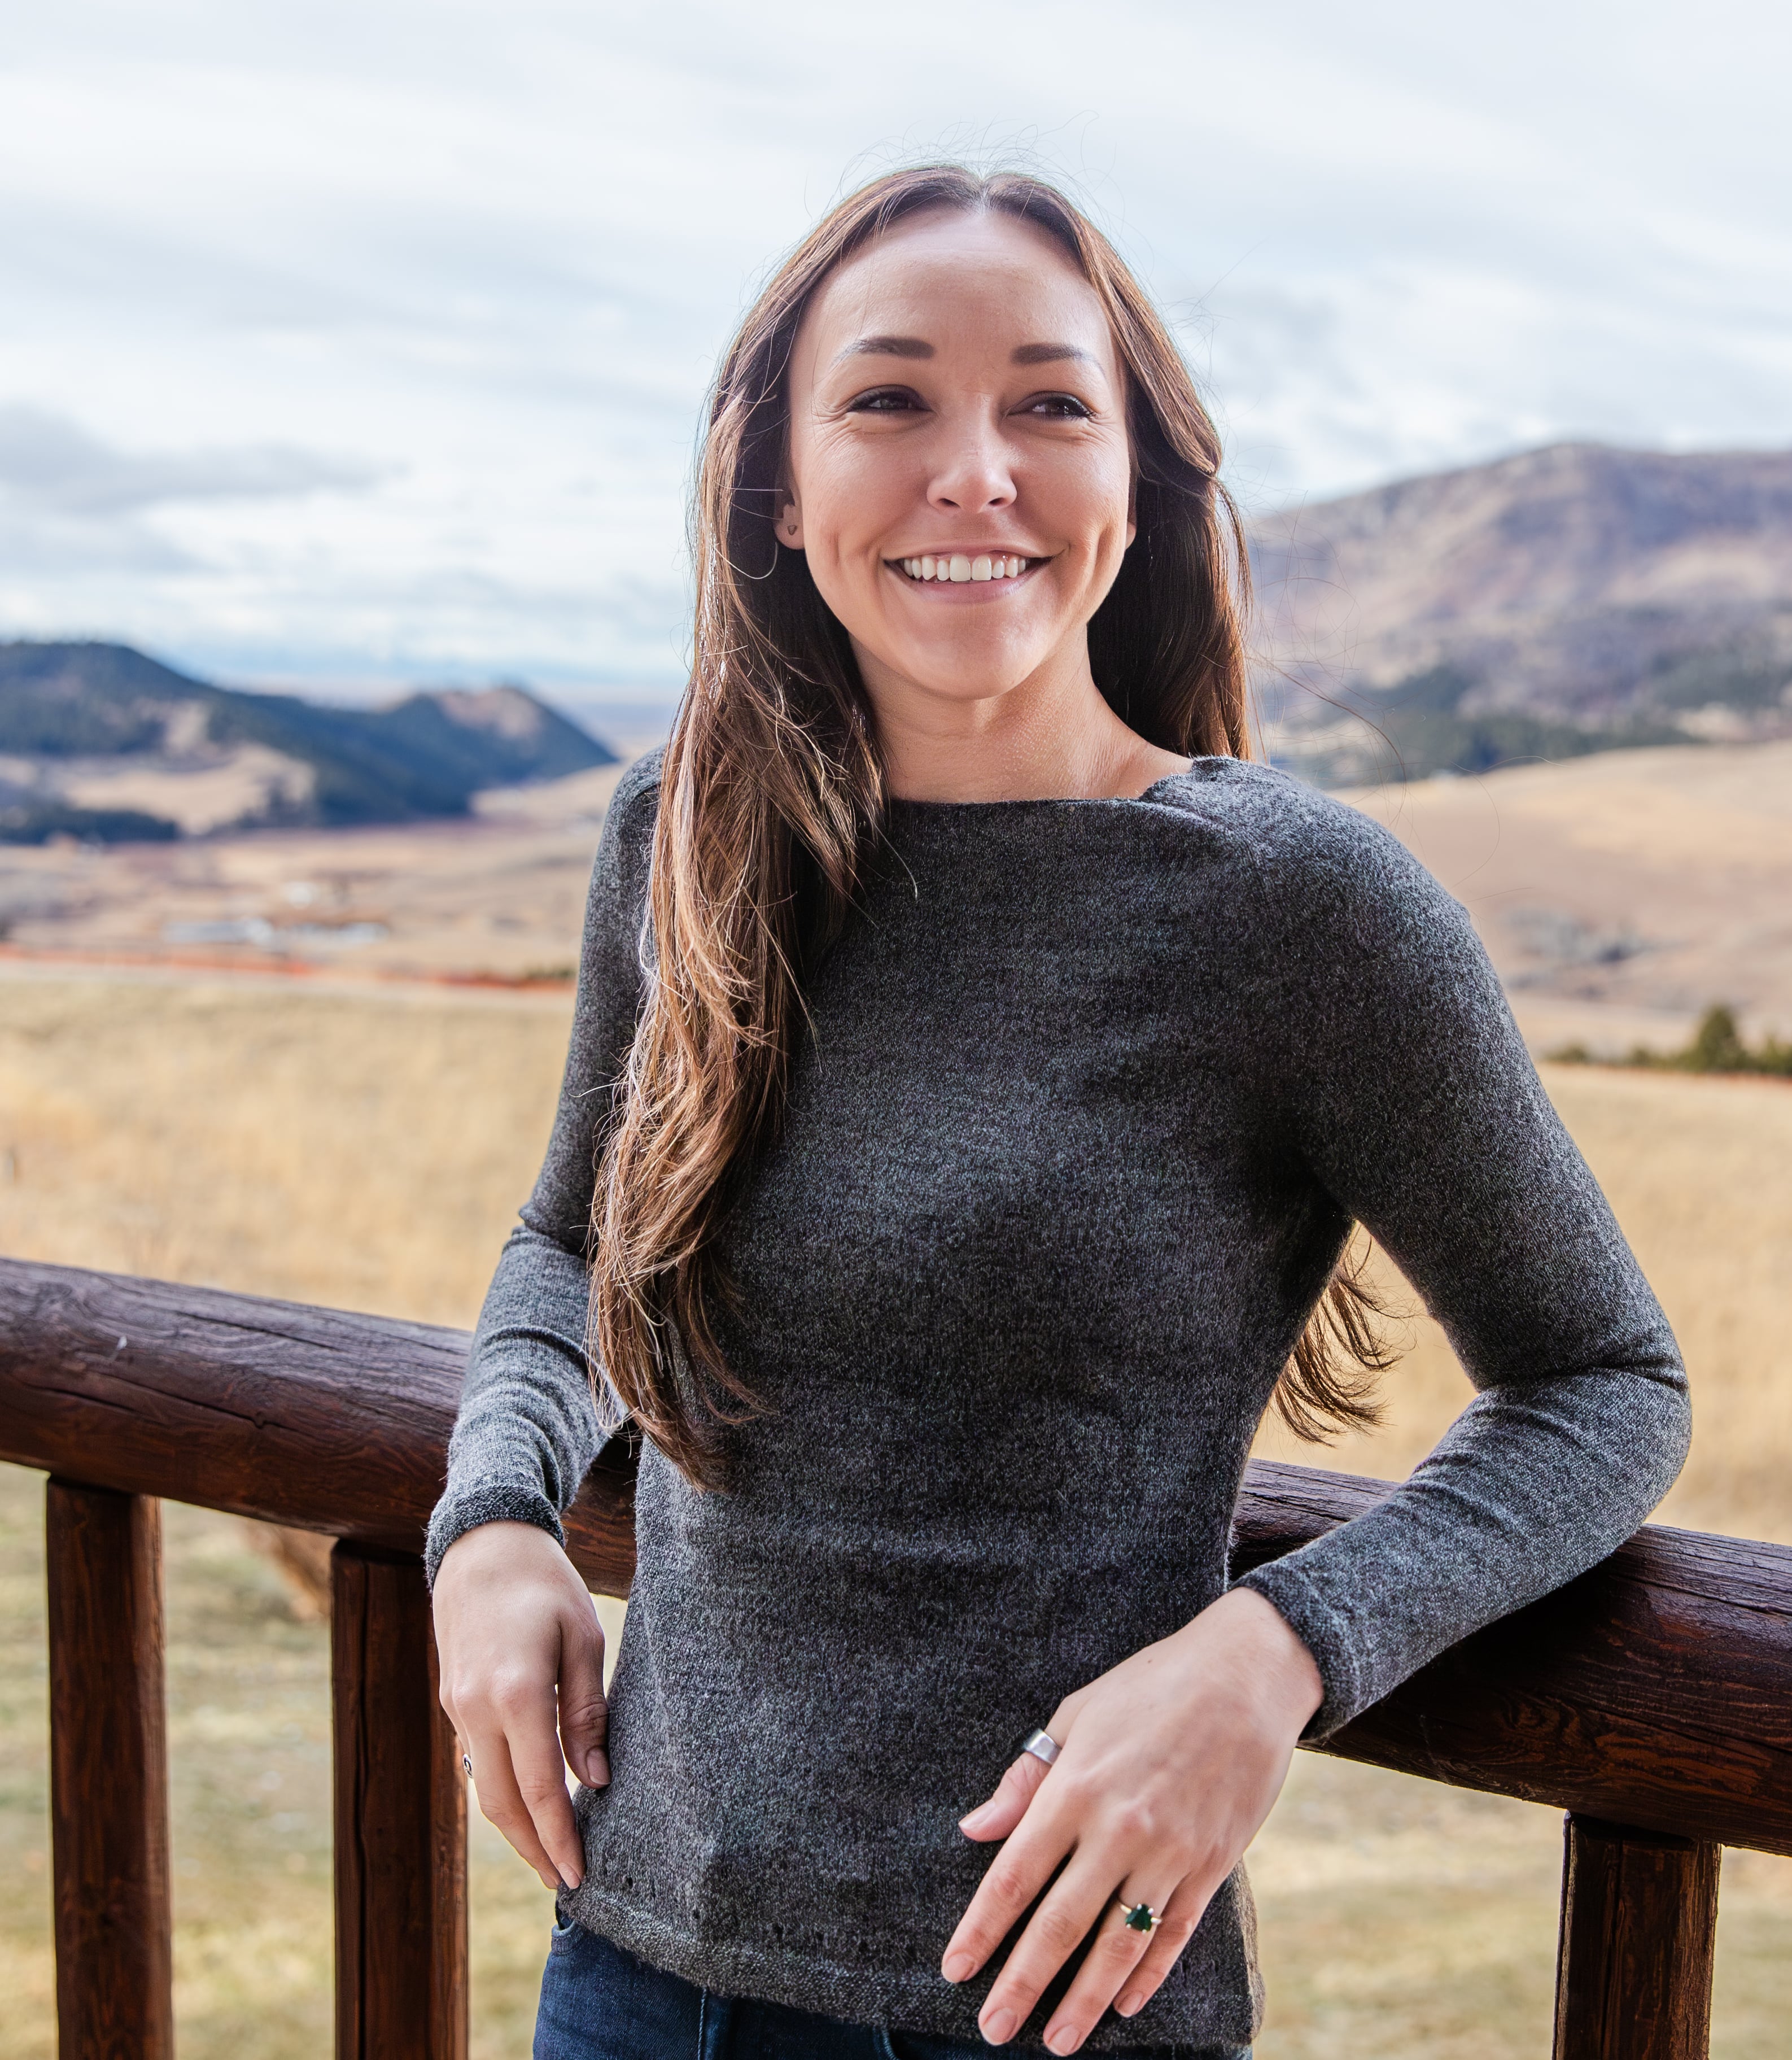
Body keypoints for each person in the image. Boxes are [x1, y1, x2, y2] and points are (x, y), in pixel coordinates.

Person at [426, 164, 1689, 2060]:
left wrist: (1280, 1651)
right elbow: (575, 1246)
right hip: (635, 1963)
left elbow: (1604, 1384)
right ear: (777, 485)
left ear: (1136, 485)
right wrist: (498, 1518)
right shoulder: (686, 833)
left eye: (1047, 402)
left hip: (1044, 2004)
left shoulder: (1301, 908)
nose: (976, 468)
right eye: (889, 399)